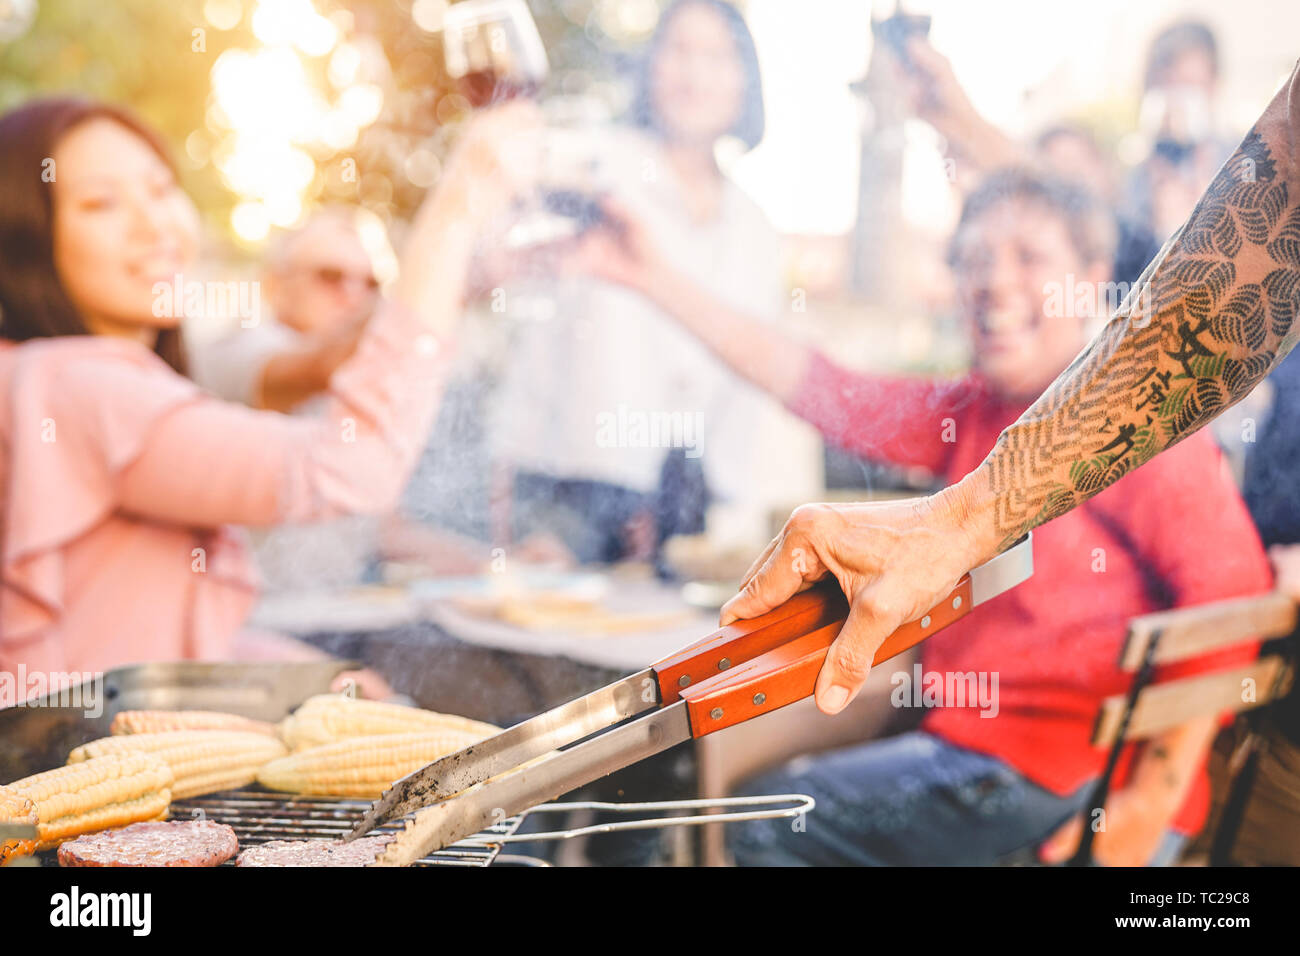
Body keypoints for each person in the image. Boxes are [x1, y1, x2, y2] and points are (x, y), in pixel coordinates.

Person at [578, 168, 1272, 864]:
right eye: (974, 259)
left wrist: (1147, 801)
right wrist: (652, 277)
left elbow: (1234, 591)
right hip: (980, 763)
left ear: (1091, 280)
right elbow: (825, 390)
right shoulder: (971, 414)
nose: (993, 282)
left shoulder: (1124, 423)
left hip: (1069, 783)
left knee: (755, 824)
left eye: (1029, 258)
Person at [0, 95, 538, 682]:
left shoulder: (52, 377)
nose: (155, 225)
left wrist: (302, 677)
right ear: (25, 235)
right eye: (101, 203)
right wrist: (458, 206)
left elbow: (124, 633)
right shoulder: (80, 385)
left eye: (159, 190)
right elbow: (352, 465)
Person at [486, 0, 820, 565]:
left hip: (682, 504)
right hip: (565, 490)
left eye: (717, 56)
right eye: (679, 51)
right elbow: (521, 308)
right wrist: (504, 481)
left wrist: (718, 512)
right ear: (649, 67)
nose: (695, 73)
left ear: (747, 79)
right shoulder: (593, 170)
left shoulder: (756, 228)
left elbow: (747, 384)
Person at [188, 206, 386, 414]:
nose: (355, 296)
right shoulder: (238, 347)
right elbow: (322, 366)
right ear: (275, 285)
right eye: (331, 276)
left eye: (370, 284)